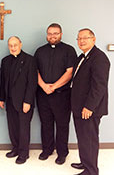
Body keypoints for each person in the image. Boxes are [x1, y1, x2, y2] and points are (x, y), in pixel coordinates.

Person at [34, 23, 77, 165]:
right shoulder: (39, 51)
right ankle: (47, 150)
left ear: (61, 34)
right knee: (45, 123)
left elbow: (70, 72)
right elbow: (35, 71)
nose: (52, 36)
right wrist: (44, 86)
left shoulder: (69, 50)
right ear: (47, 35)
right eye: (50, 33)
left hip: (62, 95)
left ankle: (62, 152)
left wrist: (53, 87)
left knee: (62, 124)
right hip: (43, 94)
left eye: (55, 33)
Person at [71, 29, 110, 175]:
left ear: (93, 39)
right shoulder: (83, 57)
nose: (81, 41)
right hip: (78, 106)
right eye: (79, 38)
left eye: (85, 38)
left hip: (89, 108)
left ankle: (91, 170)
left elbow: (99, 86)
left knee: (89, 139)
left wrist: (89, 107)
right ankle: (85, 162)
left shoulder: (99, 58)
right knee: (82, 137)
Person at [0, 36, 37, 164]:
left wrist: (28, 101)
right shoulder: (5, 61)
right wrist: (2, 98)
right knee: (13, 127)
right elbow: (3, 81)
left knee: (23, 129)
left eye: (15, 45)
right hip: (10, 101)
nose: (13, 48)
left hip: (24, 102)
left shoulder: (30, 60)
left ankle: (23, 153)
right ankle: (15, 148)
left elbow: (32, 83)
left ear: (20, 44)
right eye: (10, 45)